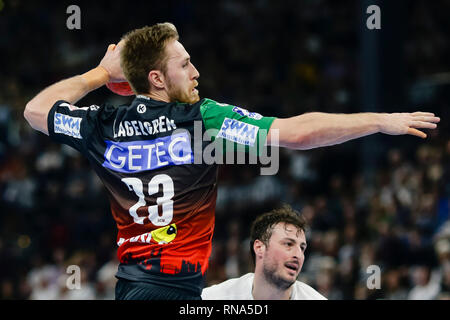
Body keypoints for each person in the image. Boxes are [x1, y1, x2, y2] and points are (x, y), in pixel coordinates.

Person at [23, 22, 440, 300]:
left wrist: (98, 73)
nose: (196, 71)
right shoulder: (201, 118)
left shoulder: (104, 124)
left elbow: (35, 111)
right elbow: (297, 132)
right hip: (176, 289)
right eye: (185, 64)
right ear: (156, 79)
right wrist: (379, 121)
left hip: (131, 289)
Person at [202, 205, 326, 300]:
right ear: (259, 247)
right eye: (288, 244)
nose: (298, 255)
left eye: (302, 248)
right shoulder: (213, 297)